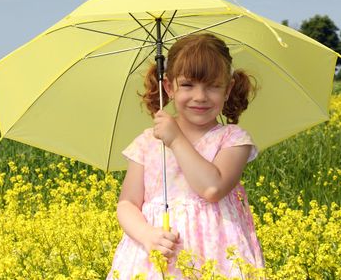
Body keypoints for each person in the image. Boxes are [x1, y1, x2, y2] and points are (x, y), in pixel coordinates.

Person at [107, 33, 264, 279]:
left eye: (213, 86)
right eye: (188, 85)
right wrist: (146, 235)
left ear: (228, 89)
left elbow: (212, 188)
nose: (200, 96)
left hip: (215, 255)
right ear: (168, 87)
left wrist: (176, 139)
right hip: (156, 254)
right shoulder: (148, 142)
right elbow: (127, 203)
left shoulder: (233, 139)